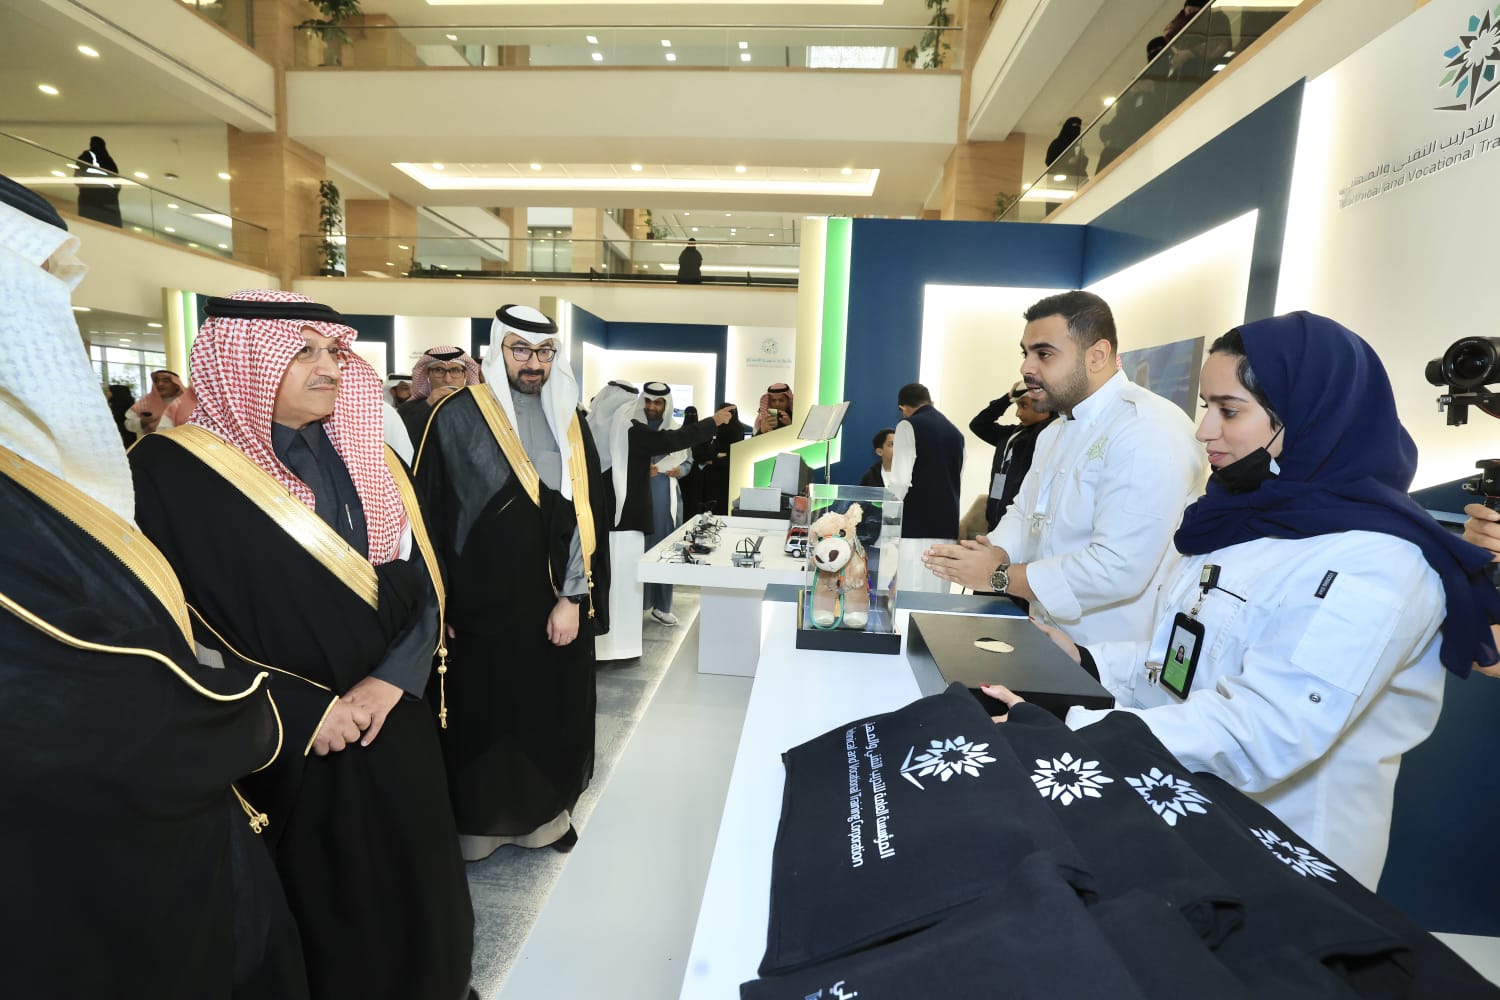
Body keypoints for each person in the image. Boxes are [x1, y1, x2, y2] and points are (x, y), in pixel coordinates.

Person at [983, 313, 1500, 887]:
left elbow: (1266, 729)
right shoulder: (1244, 520)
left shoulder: (1377, 563)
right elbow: (1191, 660)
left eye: (1229, 411)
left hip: (1282, 857)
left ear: (1307, 417)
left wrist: (1072, 726)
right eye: (1207, 406)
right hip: (1185, 815)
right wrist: (1086, 661)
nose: (1204, 430)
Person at [0, 176, 307, 998]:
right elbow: (86, 698)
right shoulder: (169, 469)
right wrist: (277, 714)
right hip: (88, 867)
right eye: (37, 287)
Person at [128, 289, 474, 1000]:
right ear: (243, 364)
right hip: (277, 745)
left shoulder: (371, 455)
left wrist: (393, 677)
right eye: (304, 352)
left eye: (334, 351)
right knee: (314, 915)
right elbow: (165, 629)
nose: (330, 369)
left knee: (415, 890)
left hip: (390, 715)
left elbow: (423, 581)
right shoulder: (163, 476)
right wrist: (300, 711)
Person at [413, 304, 611, 859]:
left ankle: (543, 819)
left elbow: (584, 518)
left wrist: (572, 597)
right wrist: (440, 605)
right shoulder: (455, 416)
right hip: (478, 608)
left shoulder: (569, 420)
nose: (534, 363)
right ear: (498, 349)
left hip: (549, 603)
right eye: (520, 349)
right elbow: (430, 517)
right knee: (483, 714)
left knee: (547, 710)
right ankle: (478, 827)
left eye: (545, 352)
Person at [924, 290, 1204, 643]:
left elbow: (1116, 568)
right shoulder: (1053, 432)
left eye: (1044, 354)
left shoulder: (1147, 428)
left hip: (1109, 653)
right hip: (1046, 635)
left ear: (1097, 355)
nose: (1026, 368)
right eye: (1025, 353)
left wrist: (999, 575)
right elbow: (1024, 514)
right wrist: (994, 550)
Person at [602, 385, 734, 649]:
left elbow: (685, 458)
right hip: (632, 500)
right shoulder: (630, 427)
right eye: (648, 401)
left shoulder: (672, 429)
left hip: (663, 495)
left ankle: (661, 605)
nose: (652, 407)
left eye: (658, 403)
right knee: (635, 553)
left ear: (666, 404)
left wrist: (678, 470)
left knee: (664, 550)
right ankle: (634, 606)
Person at [888, 383, 964, 593]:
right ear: (929, 401)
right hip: (947, 523)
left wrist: (890, 514)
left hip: (915, 523)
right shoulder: (955, 432)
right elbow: (957, 476)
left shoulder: (908, 425)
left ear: (903, 407)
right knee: (938, 591)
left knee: (910, 590)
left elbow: (900, 480)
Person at [969, 379, 1057, 531]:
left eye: (1024, 406)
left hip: (1021, 527)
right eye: (1017, 406)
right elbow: (978, 425)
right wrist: (1007, 399)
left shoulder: (1048, 437)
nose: (1018, 413)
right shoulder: (1010, 435)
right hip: (995, 524)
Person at [400, 345, 481, 445]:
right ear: (427, 374)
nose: (447, 379)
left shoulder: (478, 408)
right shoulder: (408, 409)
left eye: (455, 370)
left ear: (465, 375)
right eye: (439, 370)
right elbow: (403, 442)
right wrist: (427, 406)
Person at [698, 401, 751, 514]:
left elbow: (734, 457)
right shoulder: (714, 428)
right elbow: (700, 453)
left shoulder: (737, 430)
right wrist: (716, 456)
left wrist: (713, 460)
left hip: (724, 476)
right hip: (717, 476)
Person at [126, 368, 197, 437]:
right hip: (151, 442)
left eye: (166, 381)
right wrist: (143, 422)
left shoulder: (188, 402)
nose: (160, 384)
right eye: (156, 381)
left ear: (176, 385)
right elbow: (128, 424)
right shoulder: (145, 402)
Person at [74, 135, 121, 227]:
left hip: (91, 194)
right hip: (109, 198)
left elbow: (78, 174)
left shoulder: (87, 155)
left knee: (89, 221)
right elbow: (117, 183)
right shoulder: (110, 161)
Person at [105, 381, 135, 446]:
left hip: (125, 436)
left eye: (109, 391)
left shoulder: (118, 407)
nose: (107, 393)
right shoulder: (115, 405)